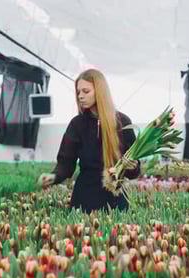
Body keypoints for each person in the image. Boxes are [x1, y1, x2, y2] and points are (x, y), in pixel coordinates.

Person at [40, 69, 140, 214]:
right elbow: (66, 164)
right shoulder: (77, 124)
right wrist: (54, 176)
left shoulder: (123, 122)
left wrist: (132, 166)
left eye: (85, 91)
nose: (80, 96)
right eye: (78, 92)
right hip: (84, 199)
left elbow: (134, 170)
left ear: (100, 91)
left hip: (116, 200)